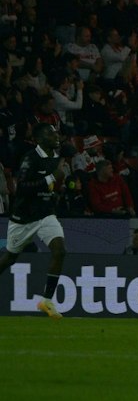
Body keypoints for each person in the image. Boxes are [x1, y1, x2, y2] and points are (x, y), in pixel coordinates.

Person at [2, 124, 71, 318]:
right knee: (10, 257)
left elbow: (52, 186)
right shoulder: (30, 158)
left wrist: (62, 188)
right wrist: (51, 179)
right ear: (39, 139)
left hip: (46, 215)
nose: (56, 136)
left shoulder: (56, 158)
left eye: (56, 132)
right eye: (50, 133)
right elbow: (21, 187)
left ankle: (46, 301)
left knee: (60, 250)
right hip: (23, 218)